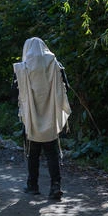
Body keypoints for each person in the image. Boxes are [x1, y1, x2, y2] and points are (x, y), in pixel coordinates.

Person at [13, 37, 71, 201]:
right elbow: (65, 87)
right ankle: (55, 187)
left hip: (31, 119)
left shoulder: (22, 69)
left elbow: (14, 93)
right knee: (52, 153)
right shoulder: (55, 65)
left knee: (33, 153)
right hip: (50, 118)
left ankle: (33, 186)